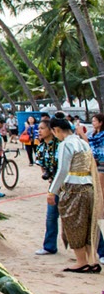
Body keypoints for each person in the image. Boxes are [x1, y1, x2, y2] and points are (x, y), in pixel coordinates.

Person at [48, 113, 102, 273]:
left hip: (74, 188)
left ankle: (82, 261)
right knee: (88, 225)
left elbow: (63, 169)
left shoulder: (66, 144)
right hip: (88, 187)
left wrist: (52, 191)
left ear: (56, 130)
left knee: (74, 224)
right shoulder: (82, 142)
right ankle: (92, 260)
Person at [79, 112, 104, 263]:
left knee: (100, 190)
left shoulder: (100, 135)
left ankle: (100, 212)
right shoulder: (95, 134)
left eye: (95, 120)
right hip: (95, 165)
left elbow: (93, 148)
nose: (93, 123)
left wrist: (82, 136)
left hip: (101, 165)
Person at [35, 118, 59, 255]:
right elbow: (42, 168)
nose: (39, 131)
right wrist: (46, 174)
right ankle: (49, 246)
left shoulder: (60, 144)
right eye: (39, 129)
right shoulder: (40, 147)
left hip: (68, 185)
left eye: (42, 128)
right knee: (51, 216)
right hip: (53, 185)